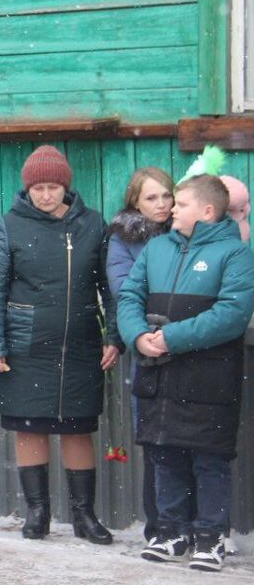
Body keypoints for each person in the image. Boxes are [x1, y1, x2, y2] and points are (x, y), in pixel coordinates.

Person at [0, 145, 120, 545]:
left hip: (79, 345)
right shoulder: (10, 225)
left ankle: (83, 515)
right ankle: (38, 512)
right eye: (38, 187)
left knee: (77, 429)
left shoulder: (93, 224)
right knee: (30, 427)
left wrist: (114, 334)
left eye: (53, 187)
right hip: (25, 346)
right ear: (28, 189)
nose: (46, 195)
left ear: (66, 187)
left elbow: (110, 287)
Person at [118, 174, 254, 572]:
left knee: (209, 458)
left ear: (207, 211)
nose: (171, 209)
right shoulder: (157, 248)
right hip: (157, 372)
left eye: (181, 203)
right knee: (164, 453)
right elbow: (129, 295)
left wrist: (170, 337)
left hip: (209, 376)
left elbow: (231, 315)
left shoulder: (235, 254)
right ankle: (171, 530)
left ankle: (210, 537)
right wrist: (138, 335)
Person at [104, 166, 173, 541]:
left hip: (189, 346)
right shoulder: (124, 239)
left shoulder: (189, 231)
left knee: (191, 439)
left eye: (166, 195)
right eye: (151, 197)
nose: (161, 204)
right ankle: (159, 522)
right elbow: (125, 289)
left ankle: (198, 523)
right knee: (154, 438)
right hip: (146, 346)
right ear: (135, 202)